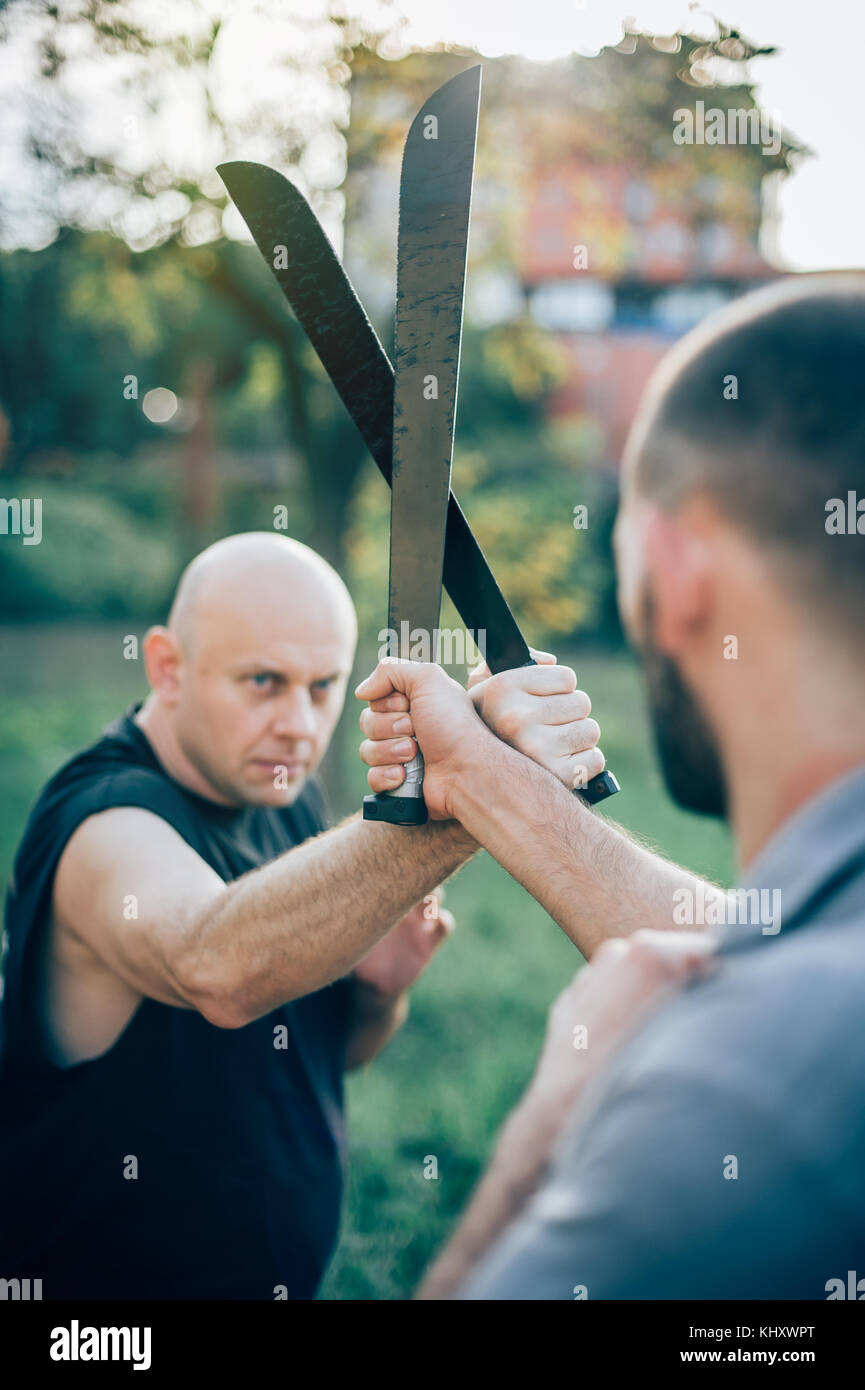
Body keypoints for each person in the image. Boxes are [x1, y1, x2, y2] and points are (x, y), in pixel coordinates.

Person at [356, 273, 865, 1299]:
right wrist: (484, 783)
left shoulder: (735, 1096)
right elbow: (793, 955)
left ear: (677, 569)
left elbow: (790, 1020)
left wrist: (548, 1133)